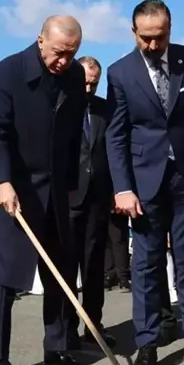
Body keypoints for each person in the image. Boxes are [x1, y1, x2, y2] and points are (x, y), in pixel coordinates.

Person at [105, 0, 184, 365]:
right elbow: (117, 134)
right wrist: (122, 188)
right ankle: (148, 344)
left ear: (170, 29)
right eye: (146, 39)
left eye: (160, 38)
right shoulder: (120, 72)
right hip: (143, 183)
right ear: (133, 32)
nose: (153, 46)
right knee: (146, 265)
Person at [0, 15, 90, 365]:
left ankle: (57, 349)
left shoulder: (74, 76)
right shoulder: (10, 70)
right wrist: (1, 181)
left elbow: (73, 133)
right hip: (13, 185)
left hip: (56, 187)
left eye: (71, 54)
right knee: (3, 274)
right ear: (41, 40)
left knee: (59, 270)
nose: (63, 62)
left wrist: (73, 185)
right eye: (58, 52)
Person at [67, 56, 115, 349]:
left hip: (98, 197)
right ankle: (67, 328)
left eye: (94, 83)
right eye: (84, 81)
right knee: (67, 266)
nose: (88, 87)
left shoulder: (105, 109)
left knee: (94, 266)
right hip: (69, 197)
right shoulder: (60, 108)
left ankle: (94, 326)